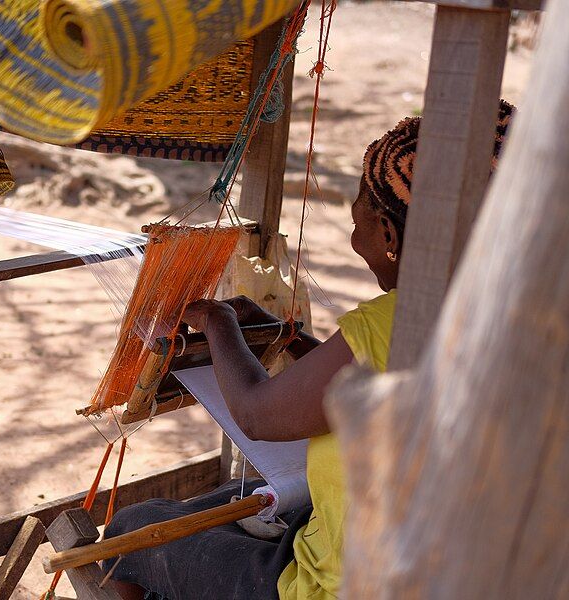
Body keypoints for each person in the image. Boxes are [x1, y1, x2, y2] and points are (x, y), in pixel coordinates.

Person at [102, 100, 515, 600]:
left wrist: (218, 321)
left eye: (359, 223)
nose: (354, 240)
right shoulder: (522, 311)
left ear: (390, 234)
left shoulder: (401, 321)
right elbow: (380, 380)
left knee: (134, 529)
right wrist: (292, 337)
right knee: (230, 511)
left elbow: (258, 417)